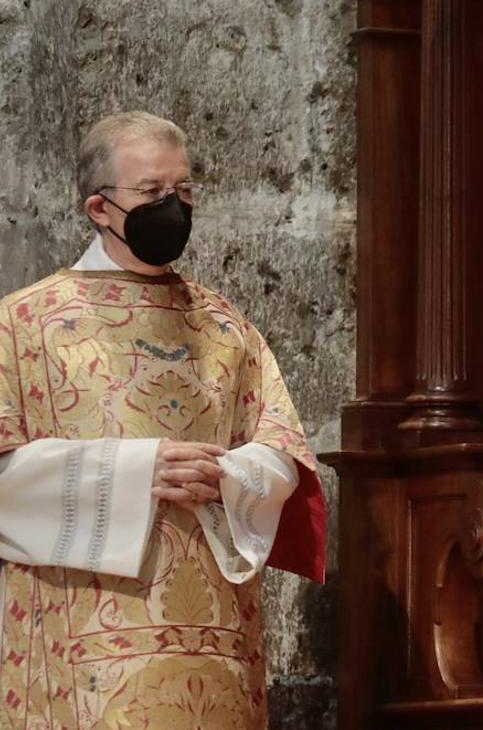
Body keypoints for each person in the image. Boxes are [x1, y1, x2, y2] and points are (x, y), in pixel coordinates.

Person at [0, 111, 327, 730]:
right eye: (150, 193)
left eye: (182, 191)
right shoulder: (21, 325)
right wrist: (136, 470)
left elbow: (283, 451)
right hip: (82, 651)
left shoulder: (227, 327)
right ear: (99, 209)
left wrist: (229, 473)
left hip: (215, 643)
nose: (171, 206)